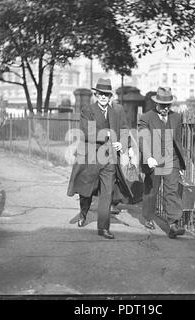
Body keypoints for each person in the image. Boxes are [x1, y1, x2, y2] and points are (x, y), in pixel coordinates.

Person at [67, 78, 131, 239]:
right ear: (96, 94)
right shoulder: (88, 110)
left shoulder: (117, 111)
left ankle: (103, 228)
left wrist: (121, 144)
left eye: (106, 94)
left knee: (107, 193)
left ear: (110, 96)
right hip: (91, 157)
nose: (103, 97)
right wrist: (108, 134)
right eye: (100, 94)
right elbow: (87, 133)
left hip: (109, 159)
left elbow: (124, 130)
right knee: (86, 191)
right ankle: (83, 213)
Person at [138, 87, 186, 239]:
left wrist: (179, 164)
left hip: (171, 160)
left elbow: (177, 141)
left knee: (172, 190)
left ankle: (173, 224)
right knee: (151, 191)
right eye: (162, 105)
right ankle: (148, 217)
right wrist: (148, 157)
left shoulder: (177, 117)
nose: (165, 108)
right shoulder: (146, 117)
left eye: (168, 105)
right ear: (156, 104)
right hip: (153, 160)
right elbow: (143, 139)